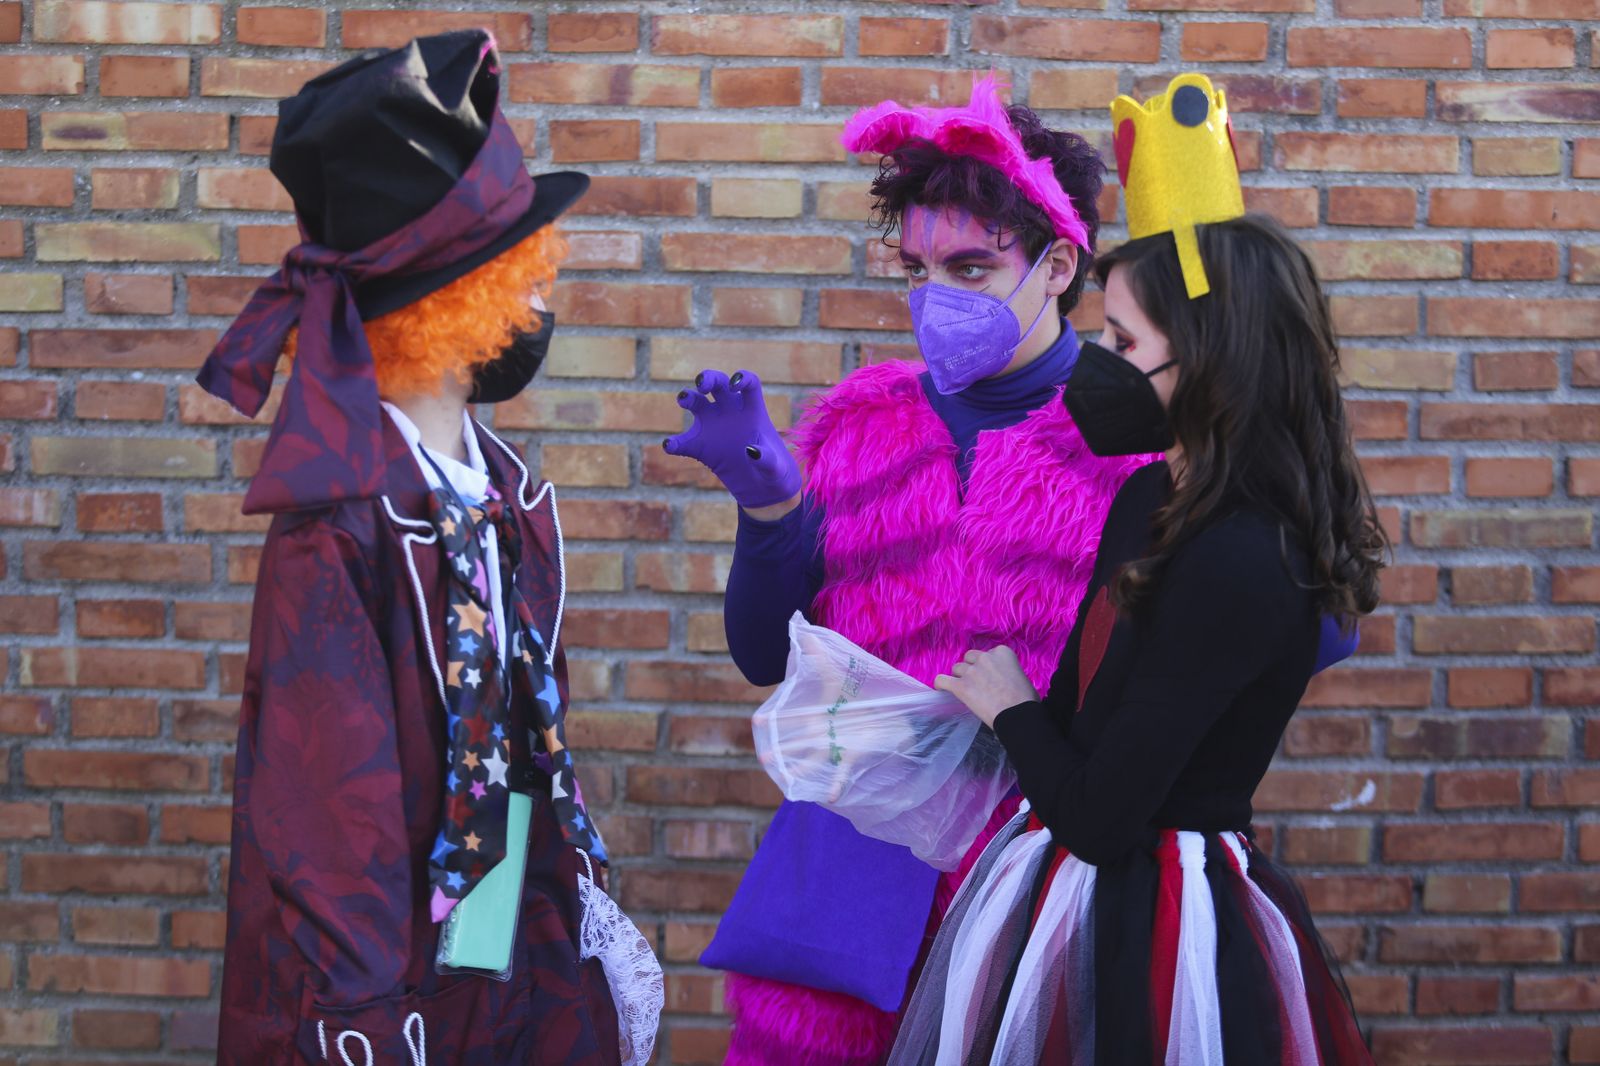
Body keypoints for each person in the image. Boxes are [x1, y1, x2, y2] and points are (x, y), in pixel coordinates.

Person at [665, 76, 1164, 1065]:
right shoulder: (860, 427)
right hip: (854, 893)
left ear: (1059, 263)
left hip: (1046, 876)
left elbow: (1271, 646)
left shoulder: (1140, 438)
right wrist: (769, 509)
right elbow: (764, 654)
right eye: (919, 268)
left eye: (972, 268)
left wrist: (1245, 463)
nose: (938, 298)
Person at [898, 73, 1384, 1064]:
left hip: (1158, 923)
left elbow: (1104, 813)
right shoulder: (1145, 501)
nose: (1100, 364)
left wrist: (1008, 706)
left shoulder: (1245, 558)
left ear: (1206, 361)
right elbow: (1090, 729)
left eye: (1122, 342)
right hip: (1054, 890)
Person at [195, 31, 660, 1064]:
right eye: (521, 270)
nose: (543, 294)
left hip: (497, 937)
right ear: (457, 300)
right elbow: (328, 814)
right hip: (388, 974)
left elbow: (518, 741)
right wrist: (373, 1019)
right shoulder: (339, 527)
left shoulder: (504, 491)